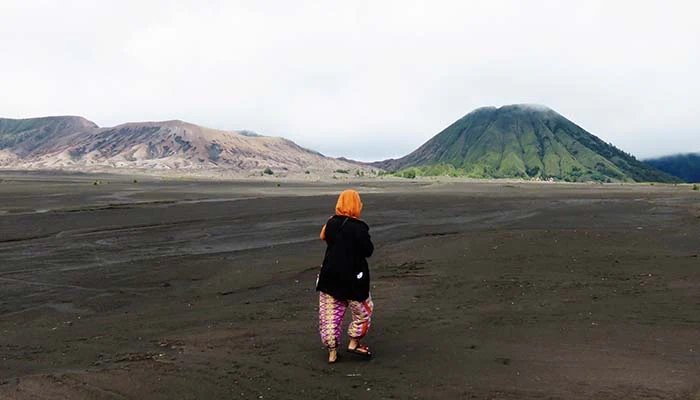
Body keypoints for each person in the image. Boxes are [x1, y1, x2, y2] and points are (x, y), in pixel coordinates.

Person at [316, 189, 374, 364]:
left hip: (329, 277)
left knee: (329, 316)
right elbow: (368, 251)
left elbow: (324, 237)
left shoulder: (331, 223)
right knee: (363, 312)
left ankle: (332, 353)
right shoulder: (360, 227)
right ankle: (354, 342)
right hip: (354, 280)